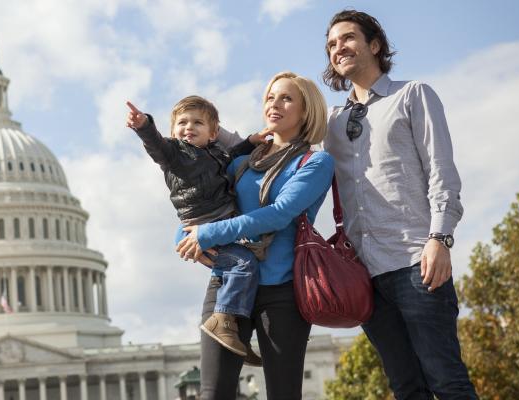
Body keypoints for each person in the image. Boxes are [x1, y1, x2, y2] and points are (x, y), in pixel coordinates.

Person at [323, 9, 478, 399]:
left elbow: (442, 173)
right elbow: (282, 141)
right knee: (406, 387)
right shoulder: (331, 123)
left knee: (447, 380)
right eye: (331, 44)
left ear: (374, 45)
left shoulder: (413, 95)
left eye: (347, 38)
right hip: (364, 275)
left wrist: (440, 238)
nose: (338, 48)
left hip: (416, 262)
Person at [175, 72, 334, 400]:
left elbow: (277, 215)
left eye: (287, 98)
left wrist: (208, 234)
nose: (275, 104)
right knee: (213, 393)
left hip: (282, 292)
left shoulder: (315, 162)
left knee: (283, 393)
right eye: (270, 97)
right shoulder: (241, 162)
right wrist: (185, 235)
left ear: (306, 112)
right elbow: (202, 201)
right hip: (227, 285)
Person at [125, 96, 269, 360]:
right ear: (172, 131)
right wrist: (144, 126)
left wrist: (251, 142)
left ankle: (235, 332)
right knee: (244, 264)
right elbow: (155, 145)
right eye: (182, 122)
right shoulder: (174, 155)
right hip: (203, 226)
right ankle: (222, 319)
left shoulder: (216, 153)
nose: (188, 127)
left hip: (220, 224)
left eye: (197, 123)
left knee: (241, 269)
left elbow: (233, 154)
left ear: (213, 133)